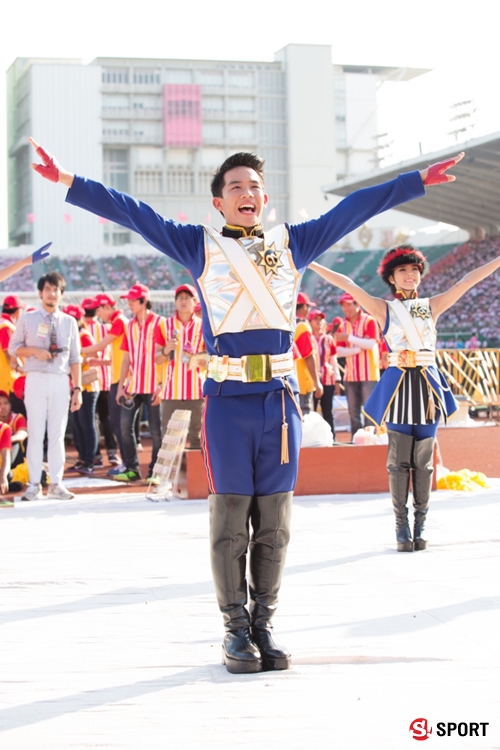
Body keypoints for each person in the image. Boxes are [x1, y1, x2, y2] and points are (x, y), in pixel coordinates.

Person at [29, 135, 462, 673]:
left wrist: (415, 182)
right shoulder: (198, 245)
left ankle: (265, 623)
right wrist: (71, 182)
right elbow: (134, 213)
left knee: (276, 521)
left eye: (255, 185)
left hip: (279, 404)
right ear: (219, 201)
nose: (247, 192)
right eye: (235, 186)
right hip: (228, 403)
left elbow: (354, 208)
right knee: (231, 518)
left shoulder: (294, 242)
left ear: (265, 198)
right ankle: (235, 629)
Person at [309, 242, 500, 552]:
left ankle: (421, 525)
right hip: (398, 387)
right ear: (391, 278)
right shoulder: (383, 308)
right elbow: (348, 284)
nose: (410, 275)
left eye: (414, 270)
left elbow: (468, 280)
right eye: (403, 270)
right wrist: (311, 263)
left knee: (423, 462)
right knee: (398, 462)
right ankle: (401, 527)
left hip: (426, 388)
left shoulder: (433, 305)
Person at [9, 271, 82, 501]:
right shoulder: (27, 319)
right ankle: (33, 485)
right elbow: (13, 348)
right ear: (40, 293)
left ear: (61, 294)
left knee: (58, 434)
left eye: (56, 290)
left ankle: (57, 484)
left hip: (60, 380)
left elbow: (76, 358)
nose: (52, 293)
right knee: (36, 432)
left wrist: (77, 389)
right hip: (36, 377)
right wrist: (34, 352)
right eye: (48, 289)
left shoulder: (69, 322)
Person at [115, 283, 162, 483]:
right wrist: (119, 387)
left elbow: (165, 357)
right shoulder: (129, 325)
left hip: (154, 386)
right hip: (133, 387)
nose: (130, 304)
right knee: (124, 426)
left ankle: (155, 471)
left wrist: (162, 385)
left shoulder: (160, 323)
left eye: (133, 300)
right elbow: (126, 358)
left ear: (144, 301)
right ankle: (132, 468)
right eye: (129, 301)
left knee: (156, 430)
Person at [79, 292, 128, 474]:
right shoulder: (115, 322)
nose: (98, 314)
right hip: (114, 377)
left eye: (99, 310)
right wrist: (98, 362)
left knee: (119, 423)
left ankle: (127, 463)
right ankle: (122, 459)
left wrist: (76, 351)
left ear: (107, 307)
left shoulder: (118, 321)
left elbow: (100, 347)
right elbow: (112, 356)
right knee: (114, 422)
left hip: (120, 379)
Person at [154, 284, 205, 449]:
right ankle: (167, 475)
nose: (183, 301)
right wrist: (166, 350)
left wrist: (204, 360)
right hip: (171, 392)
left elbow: (212, 356)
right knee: (169, 439)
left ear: (194, 301)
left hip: (197, 391)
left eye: (187, 298)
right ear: (175, 302)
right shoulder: (164, 325)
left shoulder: (204, 326)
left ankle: (198, 475)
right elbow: (157, 359)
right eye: (180, 298)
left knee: (197, 438)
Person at [335, 292, 380, 439]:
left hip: (369, 374)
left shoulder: (369, 321)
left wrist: (349, 338)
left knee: (369, 409)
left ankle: (371, 440)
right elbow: (339, 351)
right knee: (353, 412)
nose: (346, 308)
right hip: (351, 374)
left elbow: (371, 343)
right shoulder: (342, 326)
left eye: (348, 304)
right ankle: (356, 440)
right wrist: (358, 348)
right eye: (343, 305)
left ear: (357, 304)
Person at [63, 304, 100, 476]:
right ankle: (83, 459)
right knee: (77, 424)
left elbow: (96, 355)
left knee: (86, 423)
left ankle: (90, 460)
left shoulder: (83, 334)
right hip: (75, 385)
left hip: (87, 386)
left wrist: (79, 359)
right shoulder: (71, 334)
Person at [309, 309, 341, 440]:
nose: (319, 321)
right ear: (310, 322)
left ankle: (331, 438)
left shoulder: (329, 339)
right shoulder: (308, 338)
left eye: (321, 319)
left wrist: (337, 380)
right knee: (311, 412)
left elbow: (334, 360)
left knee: (328, 411)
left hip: (328, 379)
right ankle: (311, 439)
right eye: (315, 319)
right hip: (311, 380)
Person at [293, 292, 322, 415]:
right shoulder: (303, 326)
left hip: (291, 380)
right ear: (304, 306)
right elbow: (308, 356)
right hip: (303, 382)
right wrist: (317, 382)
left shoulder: (288, 324)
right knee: (304, 418)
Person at [0, 390, 28, 494]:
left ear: (10, 405)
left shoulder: (17, 418)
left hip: (13, 458)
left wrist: (5, 440)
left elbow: (23, 434)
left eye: (5, 403)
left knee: (14, 441)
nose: (3, 407)